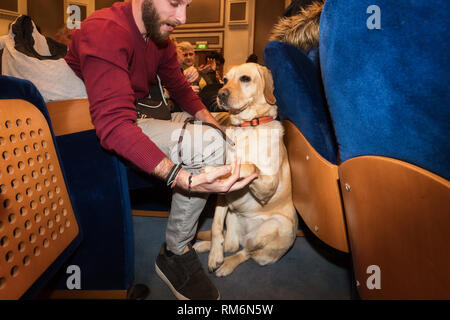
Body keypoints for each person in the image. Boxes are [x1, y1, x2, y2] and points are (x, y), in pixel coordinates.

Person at [65, 0, 257, 300]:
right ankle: (175, 251)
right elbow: (114, 125)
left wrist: (212, 122)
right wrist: (181, 178)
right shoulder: (104, 29)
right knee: (207, 144)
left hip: (139, 115)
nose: (182, 17)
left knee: (220, 132)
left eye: (188, 5)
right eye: (175, 2)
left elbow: (180, 89)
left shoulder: (160, 40)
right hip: (101, 128)